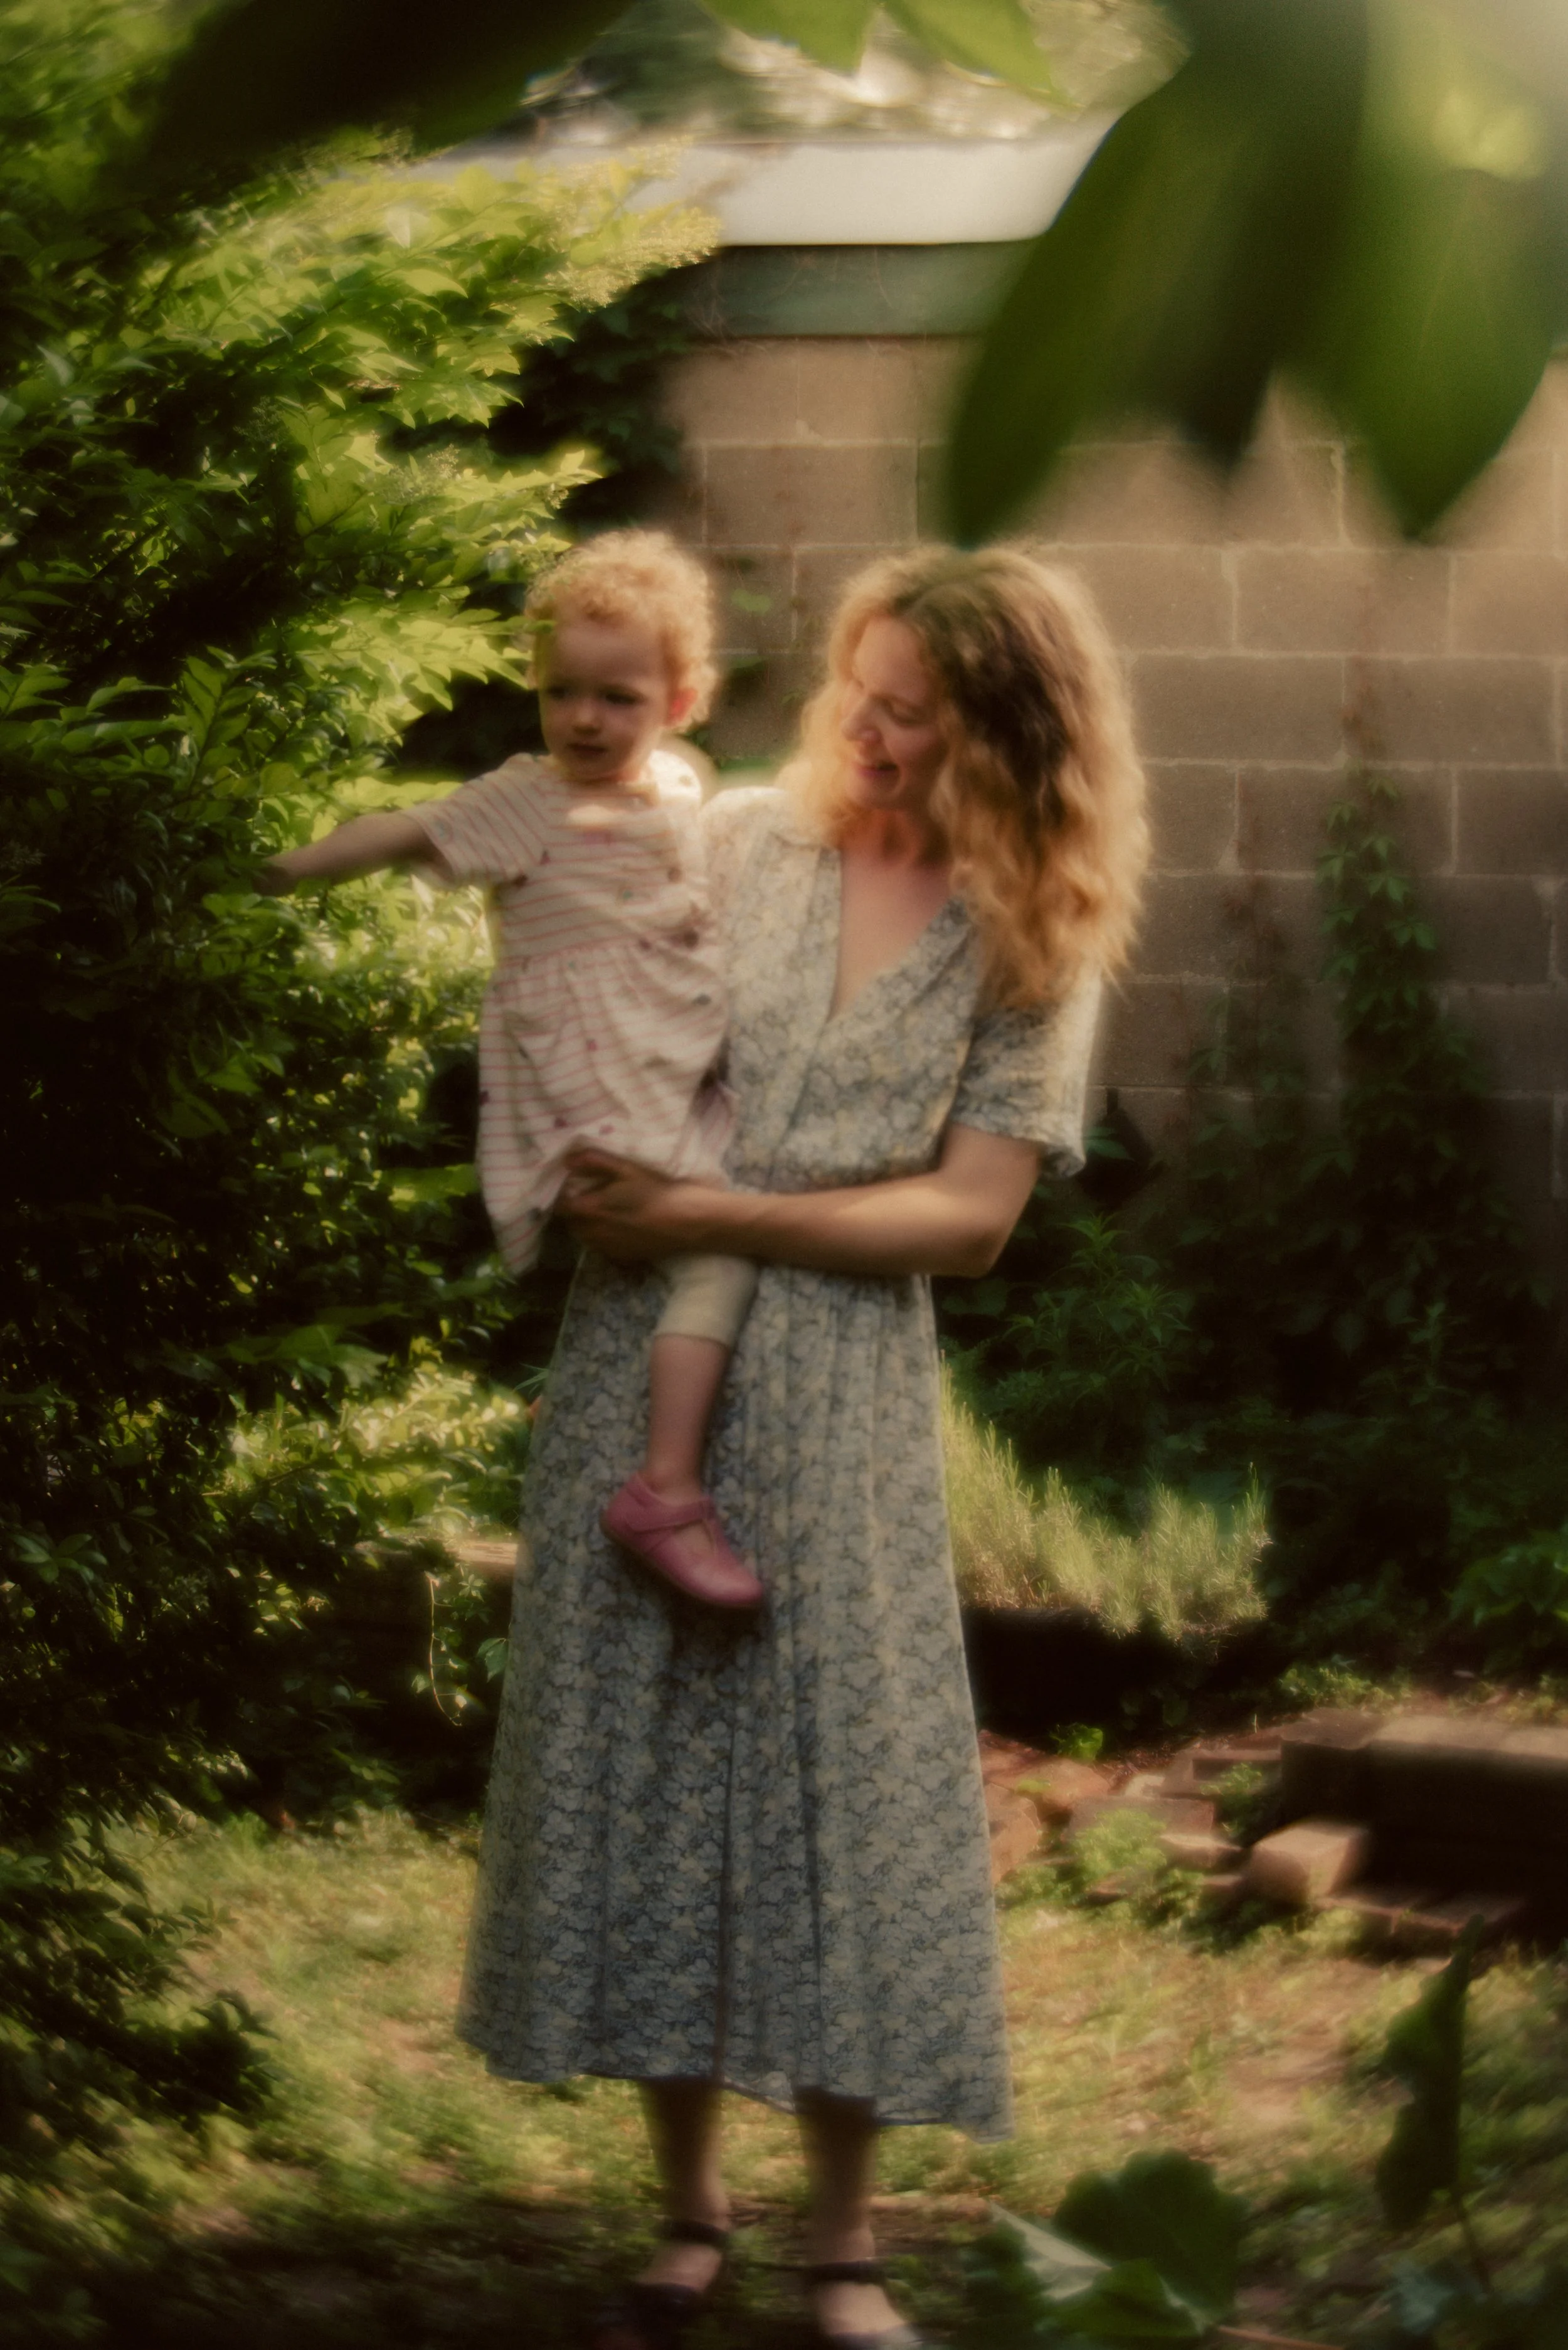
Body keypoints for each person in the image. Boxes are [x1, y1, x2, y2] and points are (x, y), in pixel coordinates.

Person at [462, 541, 1150, 2350]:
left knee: (839, 1793)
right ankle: (684, 2217)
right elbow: (572, 962)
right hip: (643, 1359)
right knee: (654, 1766)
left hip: (839, 1385)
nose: (865, 728)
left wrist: (727, 1210)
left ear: (1006, 735)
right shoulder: (739, 841)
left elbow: (969, 1219)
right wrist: (587, 1152)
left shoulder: (1032, 934)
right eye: (858, 686)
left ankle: (840, 2243)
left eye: (911, 712)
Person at [258, 531, 764, 1610]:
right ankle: (664, 1489)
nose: (584, 718)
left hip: (677, 1049)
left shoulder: (680, 781)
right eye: (562, 692)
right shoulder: (528, 800)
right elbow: (406, 830)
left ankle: (666, 1465)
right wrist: (287, 868)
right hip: (595, 1070)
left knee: (743, 1209)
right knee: (718, 1251)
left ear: (679, 703)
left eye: (618, 697)